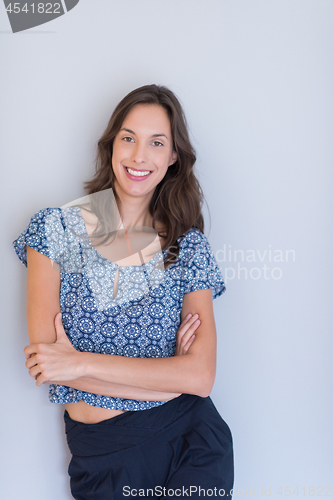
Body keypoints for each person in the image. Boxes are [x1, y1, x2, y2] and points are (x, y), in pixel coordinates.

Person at [13, 84, 234, 499]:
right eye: (129, 138)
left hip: (193, 444)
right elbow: (48, 368)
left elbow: (201, 378)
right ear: (111, 143)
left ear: (173, 157)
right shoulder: (56, 230)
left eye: (157, 142)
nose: (139, 155)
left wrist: (79, 364)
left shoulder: (188, 247)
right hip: (102, 457)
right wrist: (171, 378)